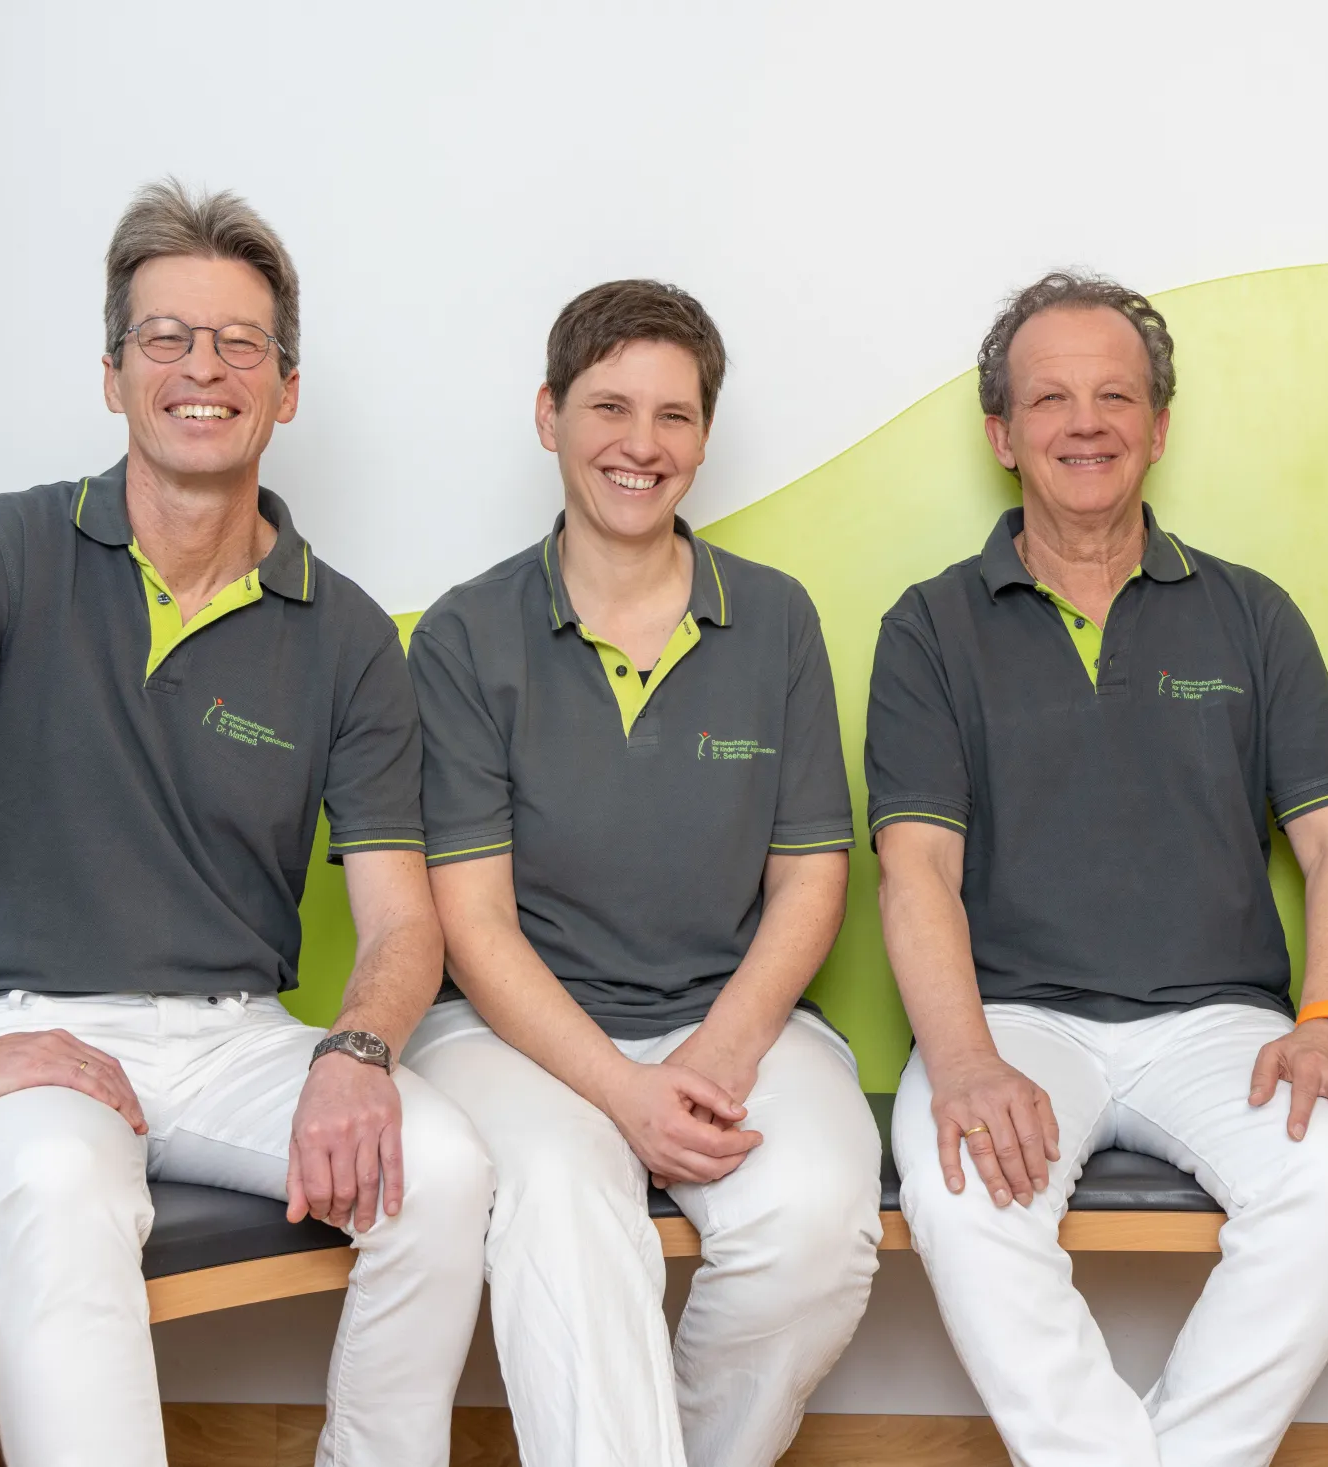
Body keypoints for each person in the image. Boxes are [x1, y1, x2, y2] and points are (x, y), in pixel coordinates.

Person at [0, 181, 493, 1467]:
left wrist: (356, 1052)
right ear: (114, 374)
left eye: (240, 343)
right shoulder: (8, 551)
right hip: (21, 1027)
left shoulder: (348, 634)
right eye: (166, 337)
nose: (203, 368)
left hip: (235, 1039)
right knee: (66, 1185)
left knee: (443, 1169)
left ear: (286, 390)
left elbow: (404, 919)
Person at [866, 271, 1328, 1466]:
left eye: (1115, 396)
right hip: (1013, 1022)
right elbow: (916, 875)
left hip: (1222, 1025)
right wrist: (963, 1061)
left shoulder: (1253, 615)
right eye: (1049, 399)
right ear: (1002, 434)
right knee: (958, 1187)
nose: (1085, 423)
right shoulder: (930, 628)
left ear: (1158, 427)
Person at [399, 279, 881, 1467]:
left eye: (674, 416)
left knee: (818, 1223)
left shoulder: (775, 620)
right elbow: (473, 921)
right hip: (510, 1035)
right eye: (609, 408)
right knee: (566, 1199)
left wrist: (716, 1055)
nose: (641, 444)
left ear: (705, 438)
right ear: (549, 415)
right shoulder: (463, 635)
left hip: (730, 1018)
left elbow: (811, 879)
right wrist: (622, 1091)